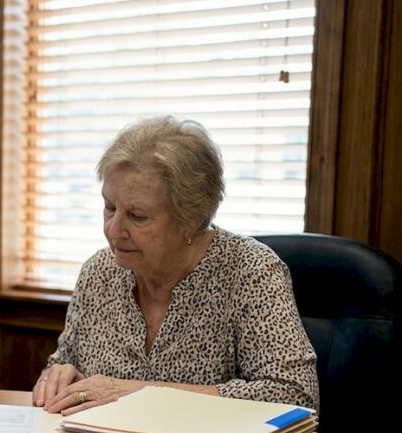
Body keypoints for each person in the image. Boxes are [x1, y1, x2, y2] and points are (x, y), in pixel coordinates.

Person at [33, 116, 319, 415]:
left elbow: (295, 396)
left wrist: (138, 394)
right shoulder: (99, 271)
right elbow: (64, 365)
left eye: (138, 216)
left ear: (191, 219)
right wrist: (57, 379)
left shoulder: (250, 272)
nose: (114, 230)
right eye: (110, 207)